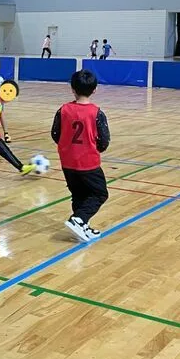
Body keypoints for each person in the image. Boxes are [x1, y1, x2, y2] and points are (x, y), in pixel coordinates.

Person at [51, 69, 110, 242]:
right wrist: (95, 147)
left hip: (67, 161)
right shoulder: (97, 113)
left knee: (78, 194)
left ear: (72, 89)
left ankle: (81, 226)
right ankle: (79, 219)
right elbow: (104, 140)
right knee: (100, 194)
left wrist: (67, 146)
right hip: (88, 162)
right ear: (95, 89)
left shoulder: (63, 110)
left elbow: (55, 133)